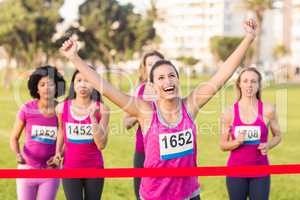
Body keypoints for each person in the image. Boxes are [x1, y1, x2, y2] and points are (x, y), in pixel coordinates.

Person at [60, 19, 257, 200]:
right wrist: (74, 58)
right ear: (152, 86)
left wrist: (248, 38)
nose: (168, 81)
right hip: (155, 195)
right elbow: (106, 88)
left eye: (171, 76)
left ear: (178, 80)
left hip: (189, 194)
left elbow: (222, 75)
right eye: (161, 78)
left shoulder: (190, 106)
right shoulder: (146, 112)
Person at [220, 67, 281, 200]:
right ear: (239, 84)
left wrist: (268, 145)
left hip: (260, 172)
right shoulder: (229, 112)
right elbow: (223, 145)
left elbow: (278, 136)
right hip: (235, 172)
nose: (249, 85)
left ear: (259, 85)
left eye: (253, 81)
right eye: (245, 81)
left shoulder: (268, 110)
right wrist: (237, 142)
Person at [10, 65, 66, 200]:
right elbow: (14, 138)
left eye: (50, 84)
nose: (46, 87)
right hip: (27, 169)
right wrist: (18, 154)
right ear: (37, 88)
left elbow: (67, 139)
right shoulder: (27, 109)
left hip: (50, 172)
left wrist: (59, 155)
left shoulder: (62, 110)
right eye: (42, 84)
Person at [54, 68, 110, 200]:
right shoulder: (62, 108)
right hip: (70, 168)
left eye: (87, 81)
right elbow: (62, 131)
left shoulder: (102, 109)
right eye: (79, 80)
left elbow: (101, 144)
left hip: (94, 168)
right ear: (73, 84)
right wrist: (57, 152)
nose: (83, 85)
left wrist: (93, 118)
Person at [123, 50, 164, 199]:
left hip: (166, 153)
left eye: (157, 63)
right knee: (141, 195)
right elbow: (126, 123)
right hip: (142, 151)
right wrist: (140, 112)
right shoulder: (137, 91)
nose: (153, 67)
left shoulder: (170, 90)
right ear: (144, 68)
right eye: (150, 64)